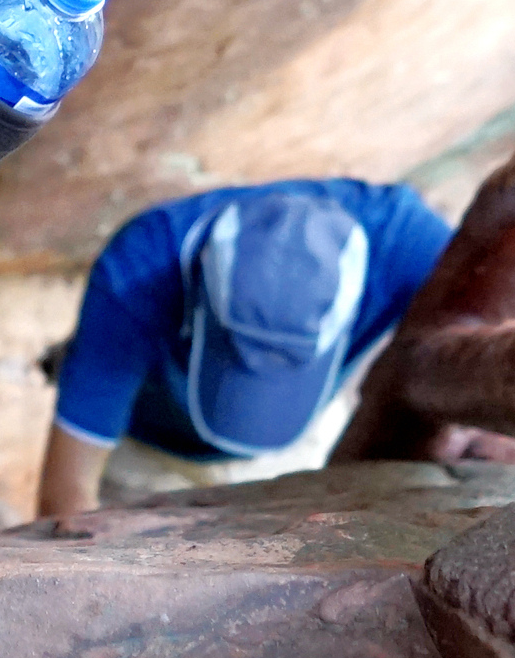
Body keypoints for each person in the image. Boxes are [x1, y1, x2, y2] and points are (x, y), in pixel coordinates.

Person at [30, 179, 450, 517]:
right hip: (150, 449)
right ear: (198, 293)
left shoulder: (408, 244)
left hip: (299, 443)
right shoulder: (141, 269)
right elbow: (67, 496)